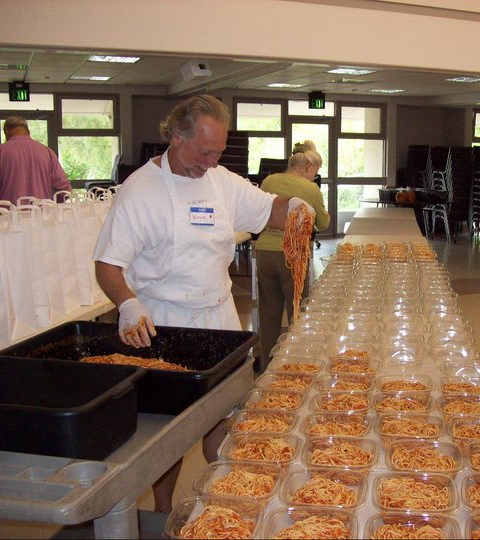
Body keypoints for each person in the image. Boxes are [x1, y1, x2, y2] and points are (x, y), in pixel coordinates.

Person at [92, 94, 313, 512]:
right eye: (204, 152)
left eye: (218, 153)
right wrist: (127, 304)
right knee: (168, 433)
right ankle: (163, 509)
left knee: (226, 417)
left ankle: (231, 503)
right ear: (176, 137)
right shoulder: (140, 190)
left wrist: (297, 207)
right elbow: (107, 264)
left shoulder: (220, 181)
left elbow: (269, 210)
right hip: (165, 323)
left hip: (218, 318)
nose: (211, 162)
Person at [255, 141, 330, 372]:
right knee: (297, 311)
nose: (314, 175)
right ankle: (295, 364)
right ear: (307, 166)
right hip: (293, 254)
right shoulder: (310, 189)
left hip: (265, 251)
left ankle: (268, 365)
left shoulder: (269, 181)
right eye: (315, 170)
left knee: (268, 310)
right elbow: (323, 223)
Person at [0, 116, 71, 205]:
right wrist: (53, 207)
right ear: (28, 131)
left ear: (7, 131)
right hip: (42, 211)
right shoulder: (47, 152)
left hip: (9, 212)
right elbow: (64, 189)